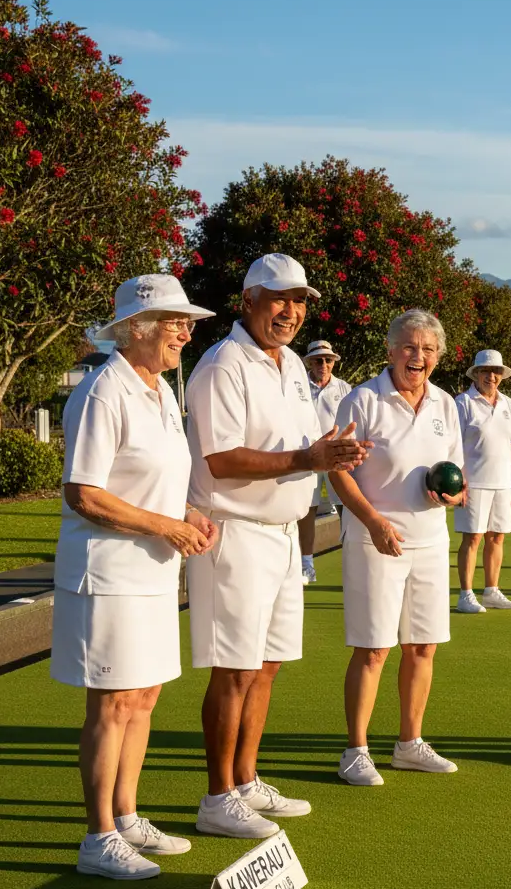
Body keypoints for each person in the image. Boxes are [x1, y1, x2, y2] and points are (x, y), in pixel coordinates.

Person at [186, 253, 370, 834]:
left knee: (265, 667)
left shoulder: (291, 363)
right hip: (234, 534)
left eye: (299, 301)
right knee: (234, 671)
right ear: (248, 301)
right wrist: (307, 458)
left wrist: (330, 452)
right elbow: (221, 458)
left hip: (286, 535)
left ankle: (245, 780)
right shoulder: (223, 365)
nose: (290, 311)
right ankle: (217, 799)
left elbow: (300, 443)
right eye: (278, 299)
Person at [51, 275, 217, 879]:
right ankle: (97, 838)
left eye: (187, 321)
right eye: (175, 320)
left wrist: (188, 516)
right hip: (110, 574)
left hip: (151, 569)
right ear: (138, 327)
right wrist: (165, 527)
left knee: (144, 697)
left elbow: (158, 481)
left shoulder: (161, 391)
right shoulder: (101, 392)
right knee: (113, 703)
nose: (186, 330)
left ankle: (126, 817)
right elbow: (84, 494)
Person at [331, 309, 467, 786]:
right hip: (375, 540)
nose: (419, 357)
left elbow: (458, 476)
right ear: (390, 350)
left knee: (423, 646)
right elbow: (337, 470)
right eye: (410, 347)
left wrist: (455, 495)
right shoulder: (362, 400)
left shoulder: (446, 405)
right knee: (373, 649)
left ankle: (410, 743)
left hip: (430, 539)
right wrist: (372, 522)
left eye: (428, 350)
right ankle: (356, 750)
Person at [454, 350, 511, 613]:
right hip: (472, 483)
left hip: (502, 482)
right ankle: (466, 594)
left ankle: (491, 590)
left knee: (497, 537)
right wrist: (460, 480)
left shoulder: (507, 403)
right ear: (476, 374)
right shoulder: (463, 402)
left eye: (496, 372)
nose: (491, 376)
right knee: (472, 538)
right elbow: (453, 445)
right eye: (486, 371)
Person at [297, 339, 353, 584]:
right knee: (307, 508)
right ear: (309, 362)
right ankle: (306, 564)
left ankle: (353, 559)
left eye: (327, 360)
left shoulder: (345, 388)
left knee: (345, 505)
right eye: (318, 360)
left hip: (336, 455)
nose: (323, 364)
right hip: (307, 454)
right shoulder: (297, 386)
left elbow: (353, 423)